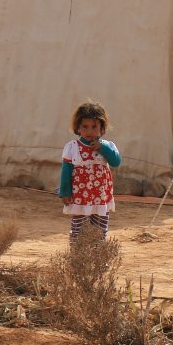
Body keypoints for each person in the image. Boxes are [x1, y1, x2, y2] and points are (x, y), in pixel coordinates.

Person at [59, 101, 122, 242]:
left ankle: (99, 253)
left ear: (101, 128)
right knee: (78, 229)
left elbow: (116, 162)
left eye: (94, 127)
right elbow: (66, 170)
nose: (89, 131)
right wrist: (65, 192)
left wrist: (102, 148)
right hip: (80, 197)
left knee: (100, 229)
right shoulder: (72, 147)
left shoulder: (107, 146)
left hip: (100, 196)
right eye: (85, 127)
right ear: (78, 127)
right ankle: (78, 253)